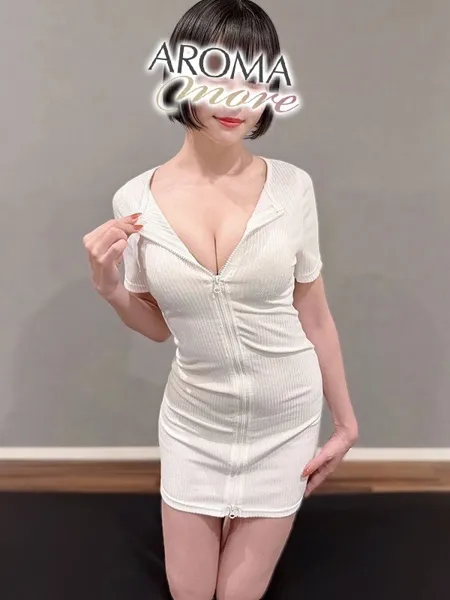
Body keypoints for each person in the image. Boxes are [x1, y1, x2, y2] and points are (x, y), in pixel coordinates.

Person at [83, 1, 358, 598]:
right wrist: (110, 290)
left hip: (286, 415)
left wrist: (345, 423)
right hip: (195, 420)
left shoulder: (292, 188)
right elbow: (158, 327)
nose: (237, 98)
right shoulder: (135, 200)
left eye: (255, 78)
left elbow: (314, 314)